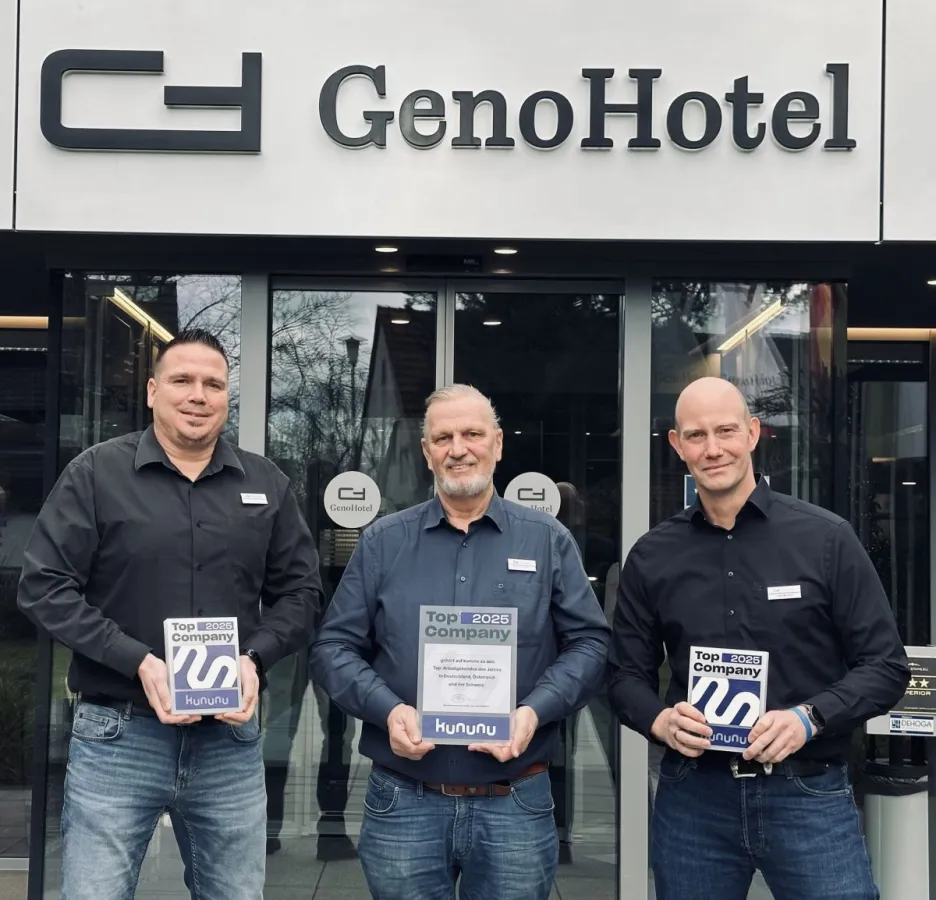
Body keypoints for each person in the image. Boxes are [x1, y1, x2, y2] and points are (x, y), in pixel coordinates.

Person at [17, 328, 322, 900]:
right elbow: (44, 587)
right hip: (119, 736)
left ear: (226, 397)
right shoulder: (96, 474)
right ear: (153, 391)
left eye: (213, 384)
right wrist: (138, 661)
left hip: (228, 742)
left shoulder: (267, 484)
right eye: (182, 380)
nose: (198, 395)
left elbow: (302, 594)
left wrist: (255, 659)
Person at [608, 375, 909, 900]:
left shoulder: (825, 539)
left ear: (752, 433)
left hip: (807, 791)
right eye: (696, 435)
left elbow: (885, 666)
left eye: (725, 430)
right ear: (678, 445)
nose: (713, 448)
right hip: (694, 799)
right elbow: (622, 676)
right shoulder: (653, 555)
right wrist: (659, 720)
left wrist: (808, 718)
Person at [309, 383, 610, 900]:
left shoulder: (547, 539)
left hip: (515, 800)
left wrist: (533, 712)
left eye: (472, 434)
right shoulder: (383, 542)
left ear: (497, 444)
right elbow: (332, 648)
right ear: (427, 451)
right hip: (404, 799)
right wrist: (388, 711)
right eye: (443, 437)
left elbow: (590, 644)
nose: (458, 449)